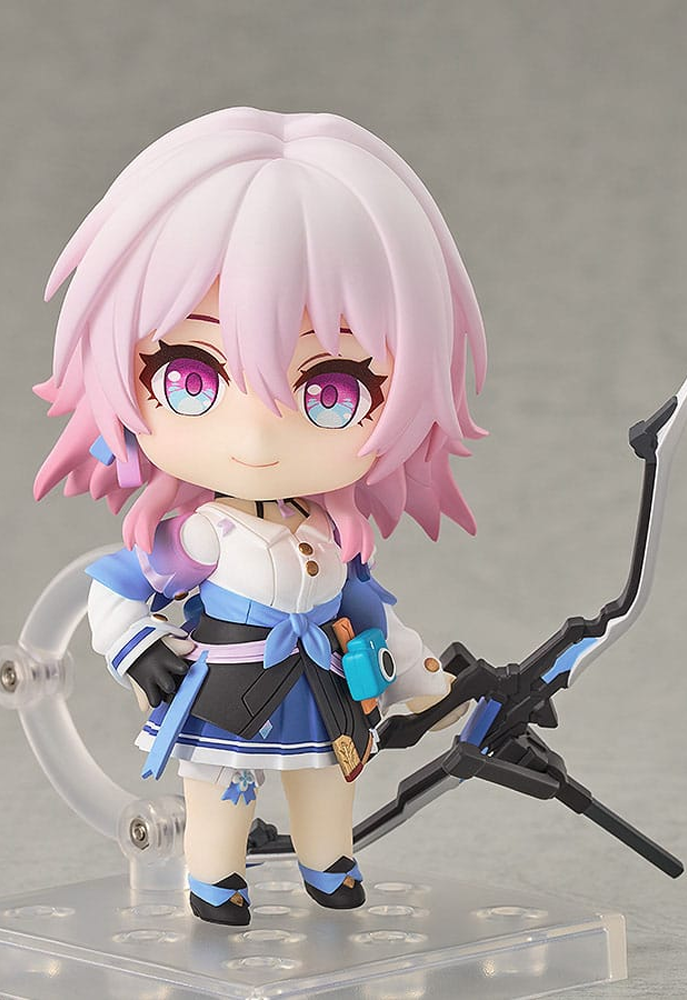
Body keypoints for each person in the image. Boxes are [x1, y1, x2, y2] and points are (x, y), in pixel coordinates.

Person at [34, 107, 488, 925]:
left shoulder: (329, 539)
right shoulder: (201, 535)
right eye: (190, 379)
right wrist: (140, 651)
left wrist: (430, 684)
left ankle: (329, 865)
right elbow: (118, 587)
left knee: (329, 778)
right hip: (228, 687)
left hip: (322, 686)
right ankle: (214, 877)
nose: (255, 436)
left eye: (333, 390)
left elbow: (370, 616)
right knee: (223, 788)